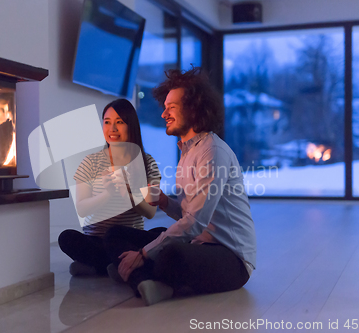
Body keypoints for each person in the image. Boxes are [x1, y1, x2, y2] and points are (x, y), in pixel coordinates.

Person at [104, 68, 257, 306]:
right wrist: (165, 202)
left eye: (171, 107)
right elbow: (189, 215)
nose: (164, 113)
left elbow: (195, 222)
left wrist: (144, 253)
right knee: (116, 234)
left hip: (230, 257)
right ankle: (148, 280)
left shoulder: (212, 152)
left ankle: (135, 273)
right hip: (198, 242)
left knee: (169, 253)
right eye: (164, 106)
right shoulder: (187, 151)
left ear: (194, 108)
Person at [58, 99, 162, 276]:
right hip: (96, 240)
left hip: (127, 238)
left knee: (162, 233)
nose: (112, 129)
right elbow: (82, 209)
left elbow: (150, 212)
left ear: (131, 126)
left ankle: (98, 266)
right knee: (66, 237)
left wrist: (127, 194)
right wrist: (107, 194)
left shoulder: (147, 162)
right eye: (107, 122)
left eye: (119, 122)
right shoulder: (90, 162)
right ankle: (115, 264)